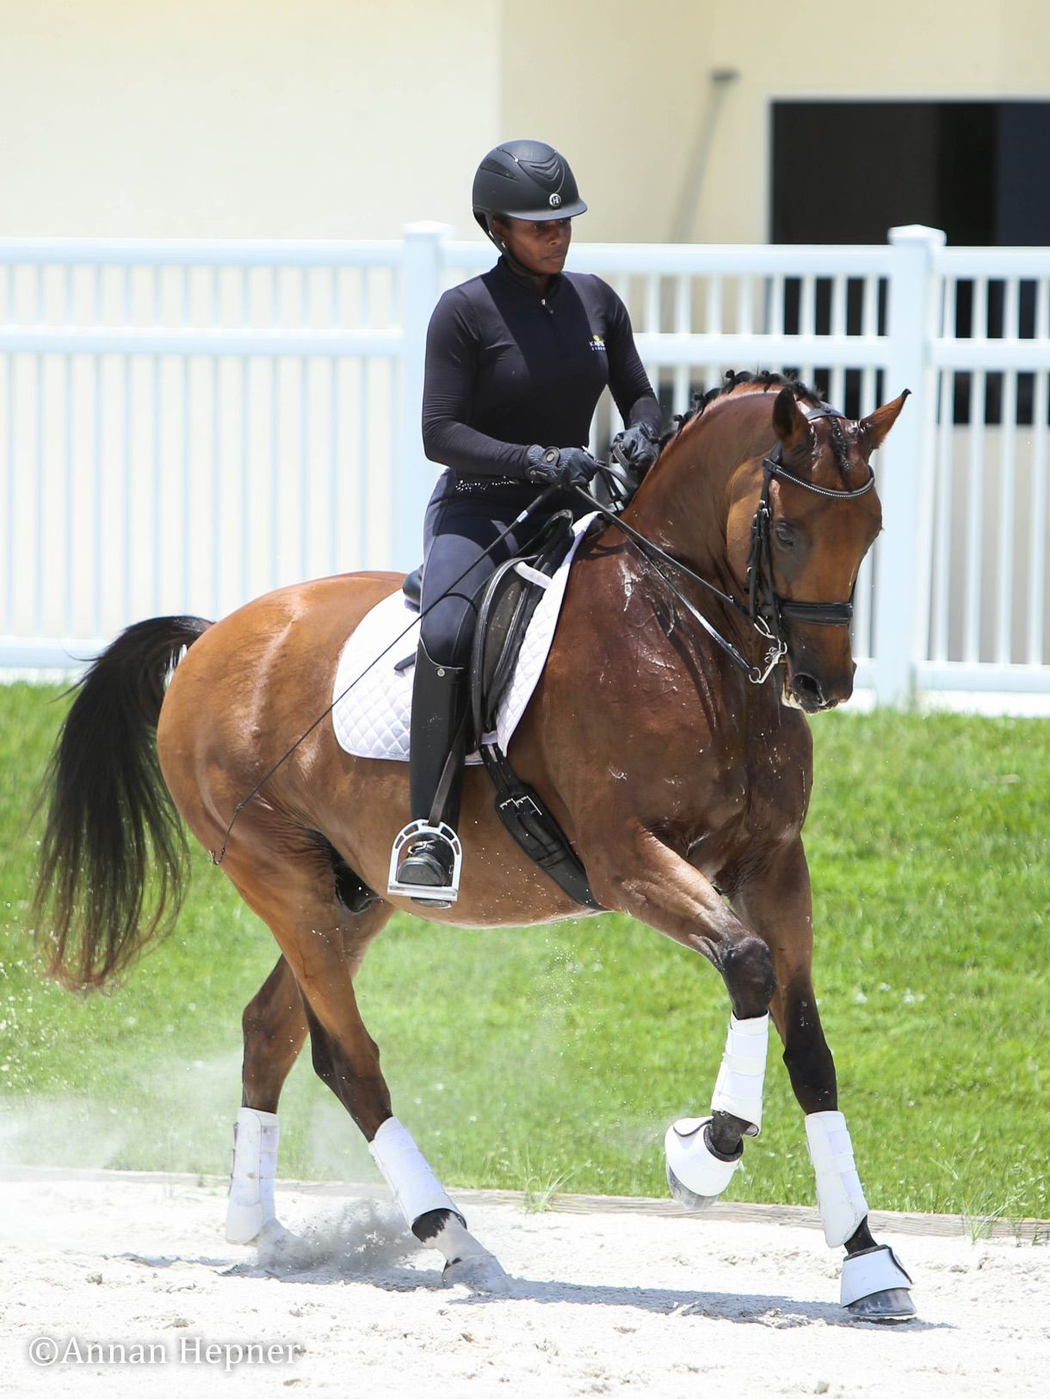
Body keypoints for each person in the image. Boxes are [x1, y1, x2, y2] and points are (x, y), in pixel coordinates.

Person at [388, 139, 661, 905]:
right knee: (447, 632)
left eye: (565, 222)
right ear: (497, 228)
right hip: (482, 506)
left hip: (576, 504)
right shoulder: (463, 312)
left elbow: (640, 396)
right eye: (540, 226)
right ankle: (430, 830)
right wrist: (536, 459)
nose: (557, 236)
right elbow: (439, 433)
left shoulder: (598, 302)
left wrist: (643, 432)